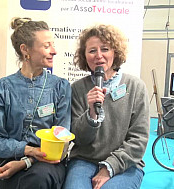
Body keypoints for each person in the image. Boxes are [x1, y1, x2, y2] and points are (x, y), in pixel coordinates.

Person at [0, 17, 71, 189]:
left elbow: (62, 140)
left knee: (39, 178)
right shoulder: (2, 88)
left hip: (49, 164)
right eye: (47, 46)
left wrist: (26, 162)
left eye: (53, 45)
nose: (54, 51)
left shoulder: (60, 87)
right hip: (8, 163)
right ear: (25, 50)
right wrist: (27, 151)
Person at [63, 24, 150, 189]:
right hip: (84, 160)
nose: (99, 56)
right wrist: (91, 114)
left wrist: (109, 167)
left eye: (105, 49)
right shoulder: (77, 89)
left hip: (125, 163)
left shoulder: (135, 86)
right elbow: (78, 139)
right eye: (92, 51)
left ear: (115, 53)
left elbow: (139, 139)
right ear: (84, 56)